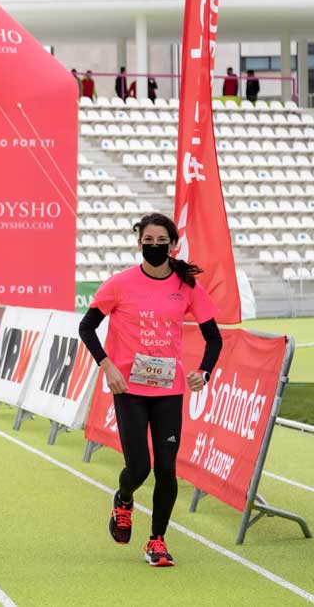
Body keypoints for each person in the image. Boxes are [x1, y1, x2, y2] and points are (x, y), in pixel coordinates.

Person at [78, 213, 223, 567]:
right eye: (148, 242)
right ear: (139, 242)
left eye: (162, 242)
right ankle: (124, 498)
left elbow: (214, 337)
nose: (155, 247)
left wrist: (204, 371)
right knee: (139, 468)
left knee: (167, 469)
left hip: (169, 390)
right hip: (129, 388)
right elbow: (87, 327)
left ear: (174, 246)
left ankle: (157, 540)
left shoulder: (187, 286)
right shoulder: (119, 284)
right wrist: (107, 364)